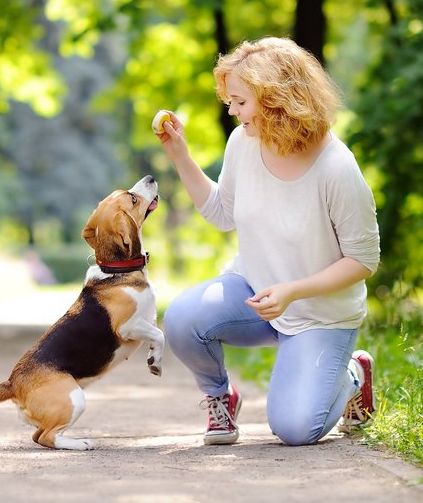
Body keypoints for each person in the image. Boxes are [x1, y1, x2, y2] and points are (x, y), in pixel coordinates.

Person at [154, 37, 380, 446]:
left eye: (240, 101)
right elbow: (222, 213)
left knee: (295, 430)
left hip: (319, 313)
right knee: (183, 320)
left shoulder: (337, 167)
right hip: (255, 294)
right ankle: (220, 398)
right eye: (229, 101)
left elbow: (363, 260)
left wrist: (293, 291)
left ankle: (352, 374)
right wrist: (180, 156)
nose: (232, 111)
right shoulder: (243, 142)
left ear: (276, 99)